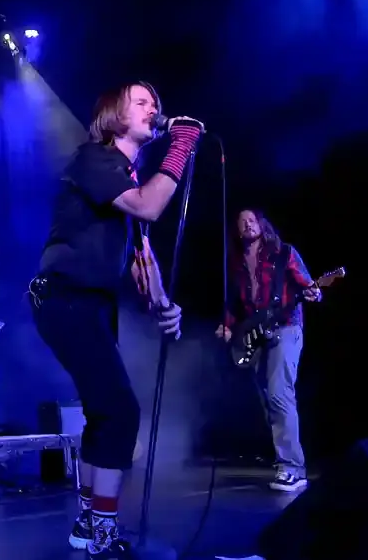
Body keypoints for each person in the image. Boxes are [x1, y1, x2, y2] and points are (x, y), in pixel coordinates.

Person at [29, 83, 203, 559]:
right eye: (143, 102)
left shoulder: (121, 175)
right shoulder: (94, 160)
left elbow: (140, 254)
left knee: (104, 414)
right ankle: (104, 531)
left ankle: (88, 524)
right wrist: (182, 147)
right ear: (114, 115)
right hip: (66, 298)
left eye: (157, 103)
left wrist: (164, 304)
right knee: (121, 412)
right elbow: (150, 205)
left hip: (89, 304)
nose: (155, 109)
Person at [215, 209, 321, 493]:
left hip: (286, 327)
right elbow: (233, 303)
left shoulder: (283, 253)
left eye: (251, 220)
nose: (247, 224)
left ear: (261, 225)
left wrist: (314, 291)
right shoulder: (236, 262)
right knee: (268, 399)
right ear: (238, 231)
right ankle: (284, 461)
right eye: (242, 222)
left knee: (279, 393)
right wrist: (227, 327)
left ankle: (293, 468)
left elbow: (308, 284)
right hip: (257, 334)